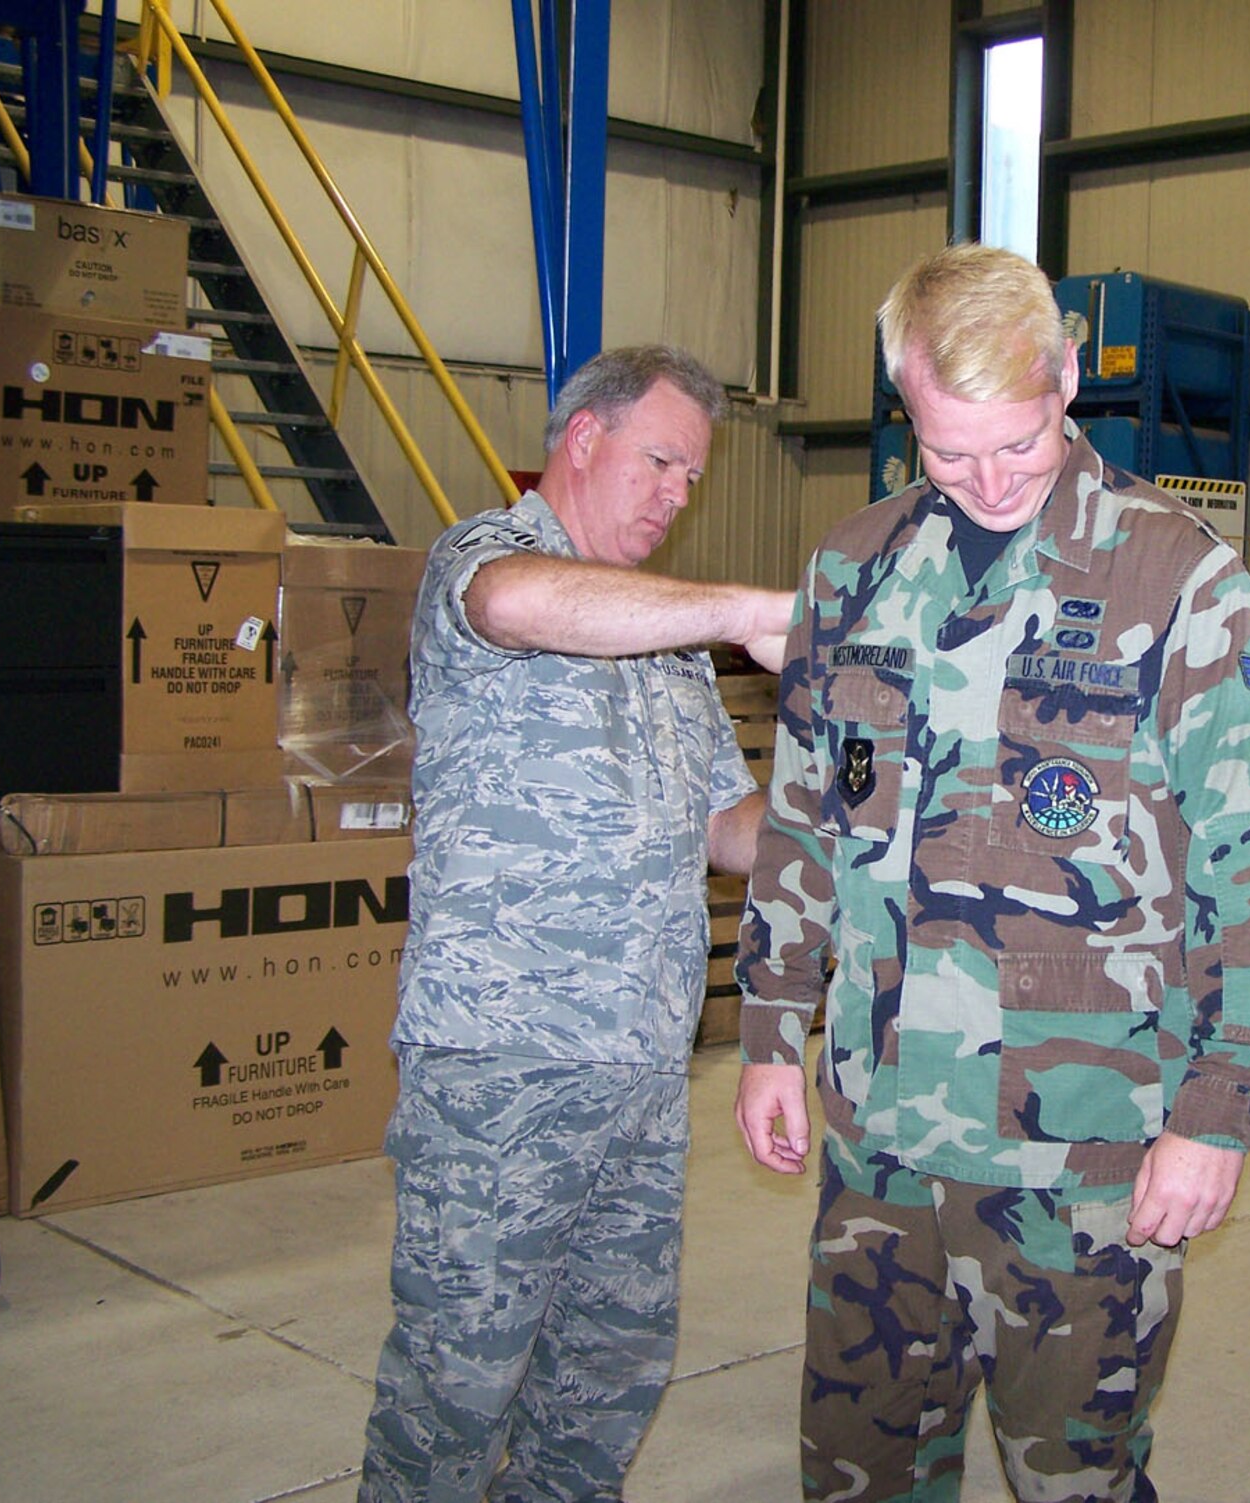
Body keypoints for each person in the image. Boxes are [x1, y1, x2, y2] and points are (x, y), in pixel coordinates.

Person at [733, 243, 1250, 1502]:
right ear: (905, 405)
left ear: (1066, 377)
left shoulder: (1179, 582)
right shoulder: (850, 571)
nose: (989, 479)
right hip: (880, 1149)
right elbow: (803, 825)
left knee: (1078, 1482)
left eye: (1016, 441)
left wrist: (1213, 1120)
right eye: (948, 452)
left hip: (1086, 1160)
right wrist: (766, 1029)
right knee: (855, 1473)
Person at [358, 344, 794, 1503]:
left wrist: (855, 833)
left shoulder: (665, 648)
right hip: (503, 1068)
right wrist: (750, 608)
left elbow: (726, 829)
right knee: (456, 1388)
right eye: (659, 462)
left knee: (603, 1381)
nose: (674, 496)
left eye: (692, 479)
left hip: (642, 1071)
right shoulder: (488, 561)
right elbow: (517, 606)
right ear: (585, 438)